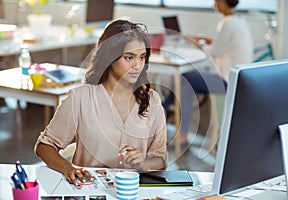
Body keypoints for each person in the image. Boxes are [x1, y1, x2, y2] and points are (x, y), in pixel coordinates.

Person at [34, 19, 168, 188]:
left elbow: (161, 159)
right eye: (129, 57)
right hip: (88, 190)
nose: (137, 65)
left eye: (142, 57)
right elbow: (45, 146)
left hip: (133, 192)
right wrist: (68, 168)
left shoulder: (152, 100)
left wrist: (144, 164)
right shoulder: (81, 98)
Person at [163, 0, 253, 144]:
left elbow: (214, 52)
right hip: (236, 79)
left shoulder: (228, 23)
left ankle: (164, 108)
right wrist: (200, 39)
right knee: (185, 85)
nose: (214, 4)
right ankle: (180, 131)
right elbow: (221, 44)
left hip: (228, 81)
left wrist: (191, 40)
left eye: (217, 1)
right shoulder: (239, 20)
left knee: (184, 77)